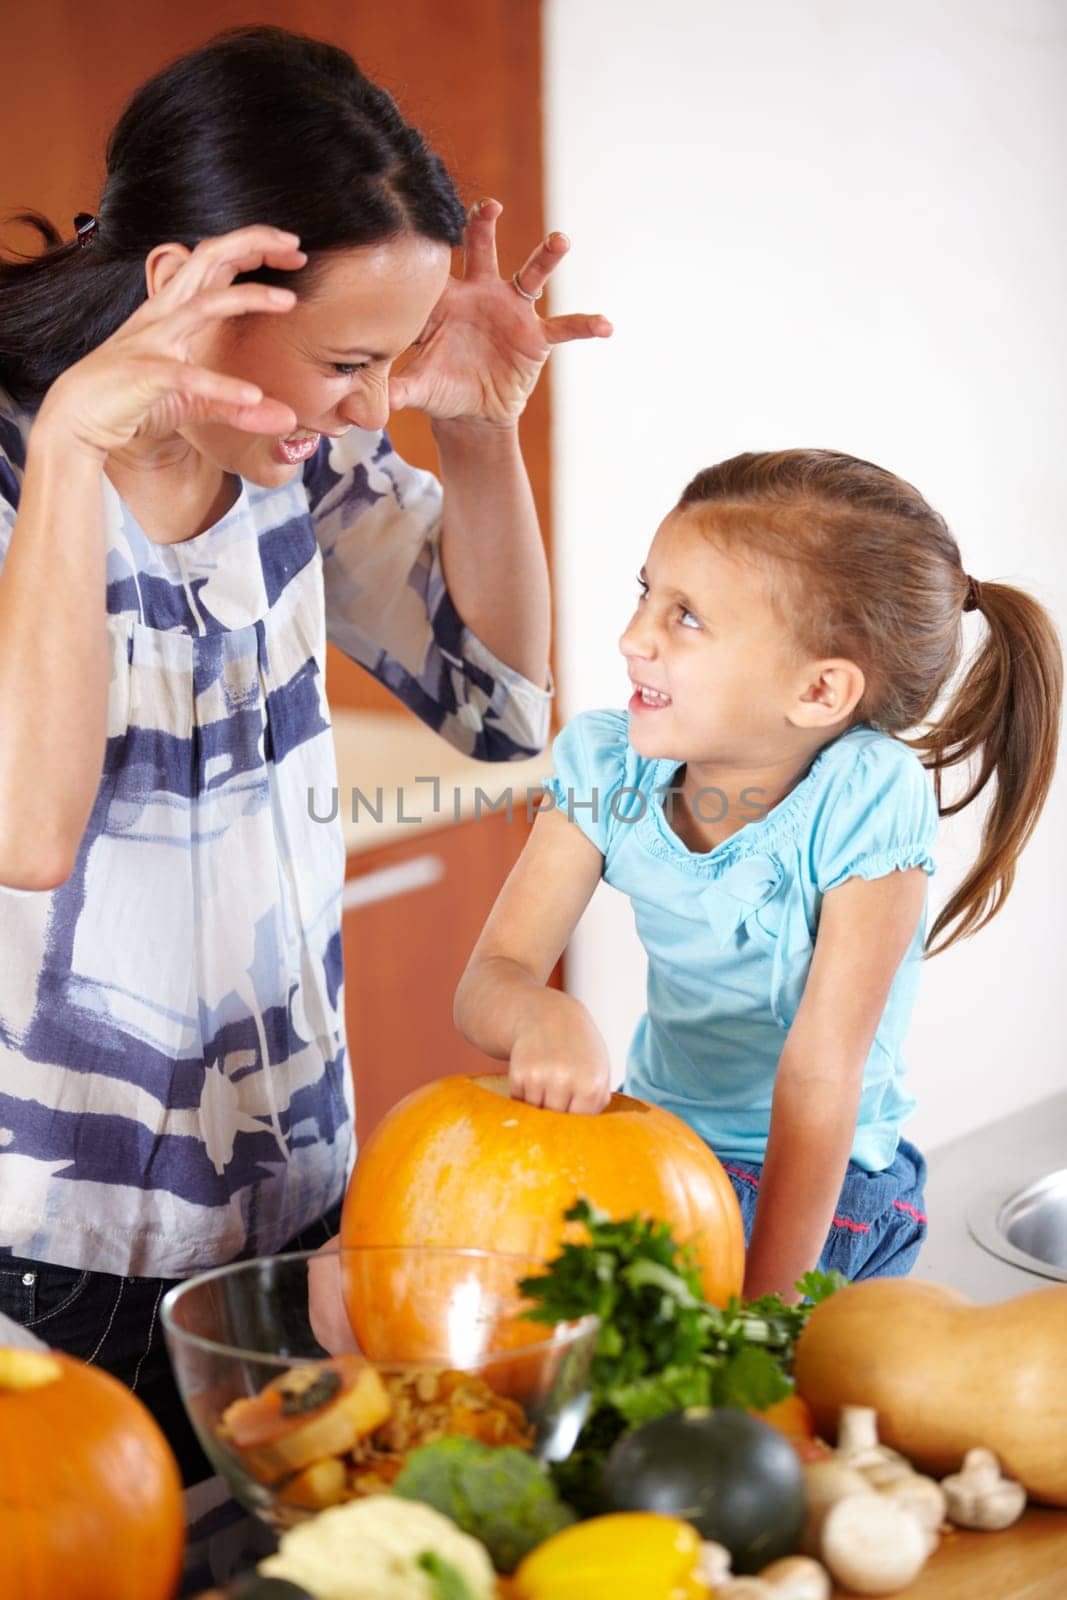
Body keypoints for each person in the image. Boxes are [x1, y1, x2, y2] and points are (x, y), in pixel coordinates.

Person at [0, 25, 610, 1480]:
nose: (369, 402)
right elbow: (26, 831)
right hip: (44, 1237)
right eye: (352, 358)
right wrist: (78, 455)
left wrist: (474, 442)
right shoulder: (21, 476)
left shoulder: (295, 456)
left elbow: (501, 710)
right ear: (184, 289)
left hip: (297, 1195)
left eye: (393, 363)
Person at [454, 449, 1063, 1303]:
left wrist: (760, 1312)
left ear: (819, 691)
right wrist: (539, 1014)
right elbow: (492, 976)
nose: (634, 638)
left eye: (686, 618)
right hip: (660, 1147)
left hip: (823, 1193)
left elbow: (821, 1077)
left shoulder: (863, 795)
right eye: (645, 593)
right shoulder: (607, 763)